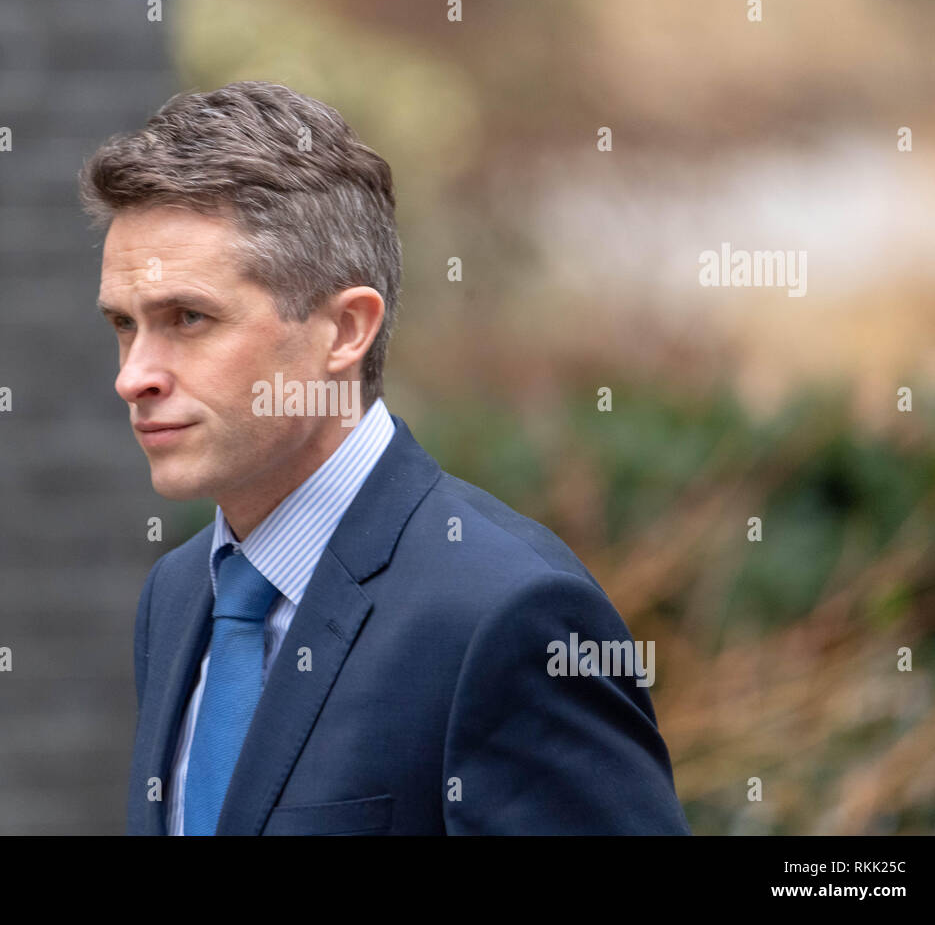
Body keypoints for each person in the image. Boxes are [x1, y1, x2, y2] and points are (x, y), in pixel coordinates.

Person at [79, 81, 691, 835]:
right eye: (124, 325)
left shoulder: (508, 615)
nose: (133, 374)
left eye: (188, 318)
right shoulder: (176, 597)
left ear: (344, 331)